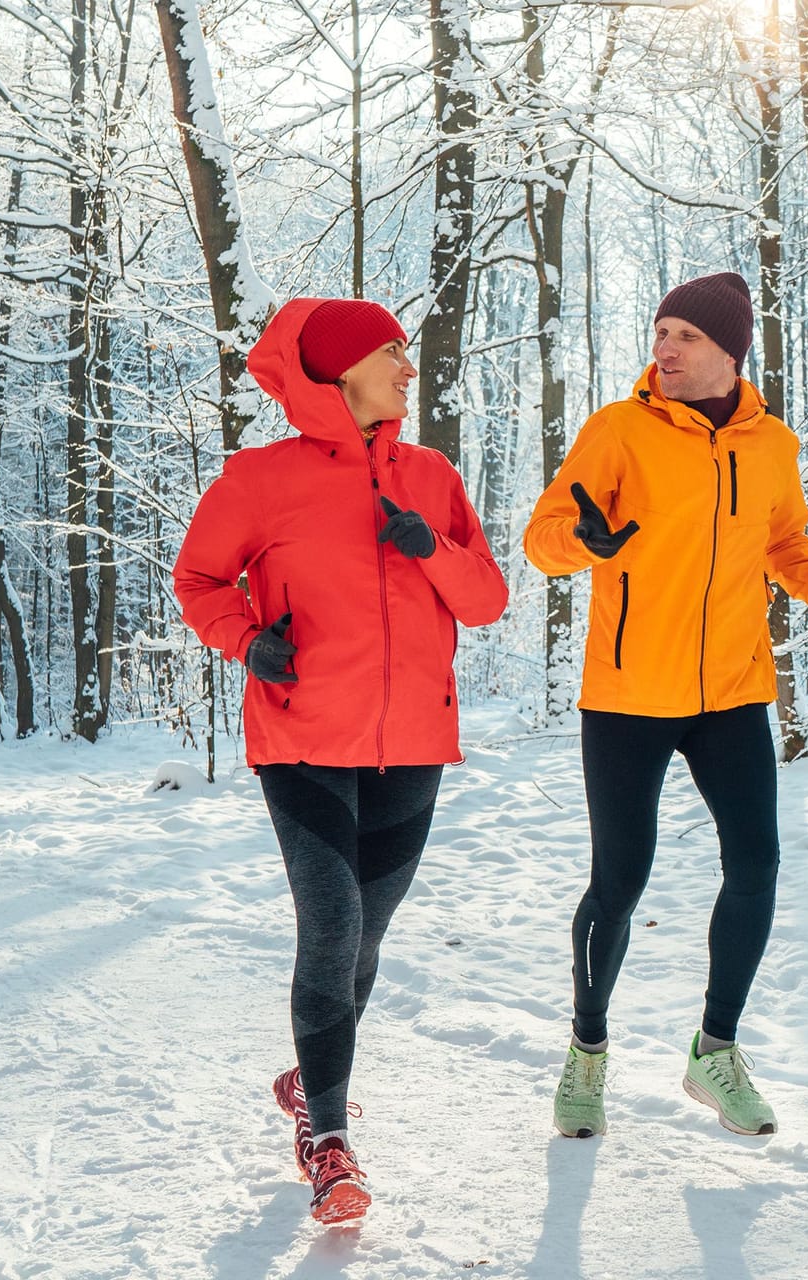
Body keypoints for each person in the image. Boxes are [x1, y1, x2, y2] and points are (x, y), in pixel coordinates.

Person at [523, 271, 808, 1139]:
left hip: (730, 691)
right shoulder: (619, 431)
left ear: (730, 352)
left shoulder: (773, 445)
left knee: (756, 866)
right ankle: (586, 1052)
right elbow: (542, 540)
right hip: (627, 696)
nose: (665, 348)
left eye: (684, 335)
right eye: (659, 332)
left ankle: (714, 1051)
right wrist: (583, 538)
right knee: (620, 879)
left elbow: (783, 541)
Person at [173, 297, 508, 1225]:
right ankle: (327, 1139)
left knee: (367, 931)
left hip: (412, 744)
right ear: (342, 370)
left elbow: (486, 600)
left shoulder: (430, 475)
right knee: (332, 919)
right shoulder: (260, 478)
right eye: (394, 353)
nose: (410, 369)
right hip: (304, 734)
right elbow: (198, 579)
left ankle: (310, 1071)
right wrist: (247, 641)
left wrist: (428, 545)